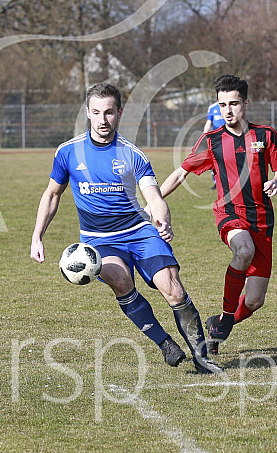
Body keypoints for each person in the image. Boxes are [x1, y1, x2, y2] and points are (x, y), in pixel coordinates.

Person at [30, 82, 221, 374]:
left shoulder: (132, 154)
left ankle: (202, 357)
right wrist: (37, 236)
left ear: (119, 113)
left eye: (109, 112)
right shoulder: (68, 152)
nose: (103, 120)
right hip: (98, 240)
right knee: (121, 283)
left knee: (173, 290)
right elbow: (52, 194)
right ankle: (165, 343)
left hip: (139, 232)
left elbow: (154, 196)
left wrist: (162, 219)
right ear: (88, 113)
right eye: (96, 112)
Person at [159, 74, 277, 354]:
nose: (227, 111)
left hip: (263, 220)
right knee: (243, 250)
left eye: (234, 104)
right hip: (230, 214)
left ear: (246, 104)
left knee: (254, 301)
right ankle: (227, 318)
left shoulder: (266, 136)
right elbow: (181, 174)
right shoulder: (211, 141)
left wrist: (276, 182)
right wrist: (152, 202)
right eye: (222, 105)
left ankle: (217, 325)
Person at [203, 101, 225, 189]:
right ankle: (216, 182)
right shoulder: (212, 107)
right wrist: (205, 134)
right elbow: (209, 122)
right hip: (215, 138)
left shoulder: (228, 105)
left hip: (228, 137)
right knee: (214, 160)